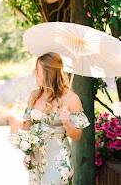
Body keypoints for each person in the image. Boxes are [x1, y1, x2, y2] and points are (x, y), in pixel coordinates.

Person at [20, 52, 90, 184]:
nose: (34, 72)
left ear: (48, 73)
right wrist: (27, 151)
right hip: (36, 160)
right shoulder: (34, 95)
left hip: (59, 160)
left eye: (37, 70)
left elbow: (77, 136)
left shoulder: (71, 98)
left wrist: (66, 122)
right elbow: (27, 127)